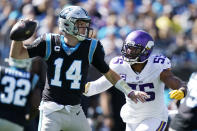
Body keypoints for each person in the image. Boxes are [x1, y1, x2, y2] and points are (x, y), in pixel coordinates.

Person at [9, 6, 148, 131]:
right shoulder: (49, 42)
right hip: (51, 110)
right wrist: (17, 38)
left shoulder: (91, 47)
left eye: (85, 24)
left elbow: (109, 73)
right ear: (67, 24)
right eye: (80, 24)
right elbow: (17, 54)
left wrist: (129, 92)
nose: (85, 28)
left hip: (75, 110)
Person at [84, 30, 188, 131]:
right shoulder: (119, 65)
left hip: (155, 117)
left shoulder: (157, 65)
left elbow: (171, 79)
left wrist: (181, 89)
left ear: (146, 50)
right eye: (128, 48)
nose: (129, 52)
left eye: (134, 49)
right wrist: (80, 87)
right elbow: (100, 85)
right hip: (132, 118)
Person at [0, 57, 40, 131]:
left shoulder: (2, 71)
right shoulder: (33, 78)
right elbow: (36, 105)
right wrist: (29, 118)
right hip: (16, 123)